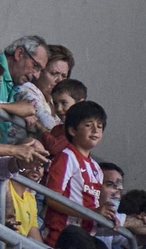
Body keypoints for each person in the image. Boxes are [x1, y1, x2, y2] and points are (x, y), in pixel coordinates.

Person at [44, 101, 107, 245]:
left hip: (85, 239)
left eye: (99, 126)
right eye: (88, 125)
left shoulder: (97, 168)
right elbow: (52, 199)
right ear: (72, 130)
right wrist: (91, 213)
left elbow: (93, 205)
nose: (95, 130)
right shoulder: (66, 157)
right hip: (60, 238)